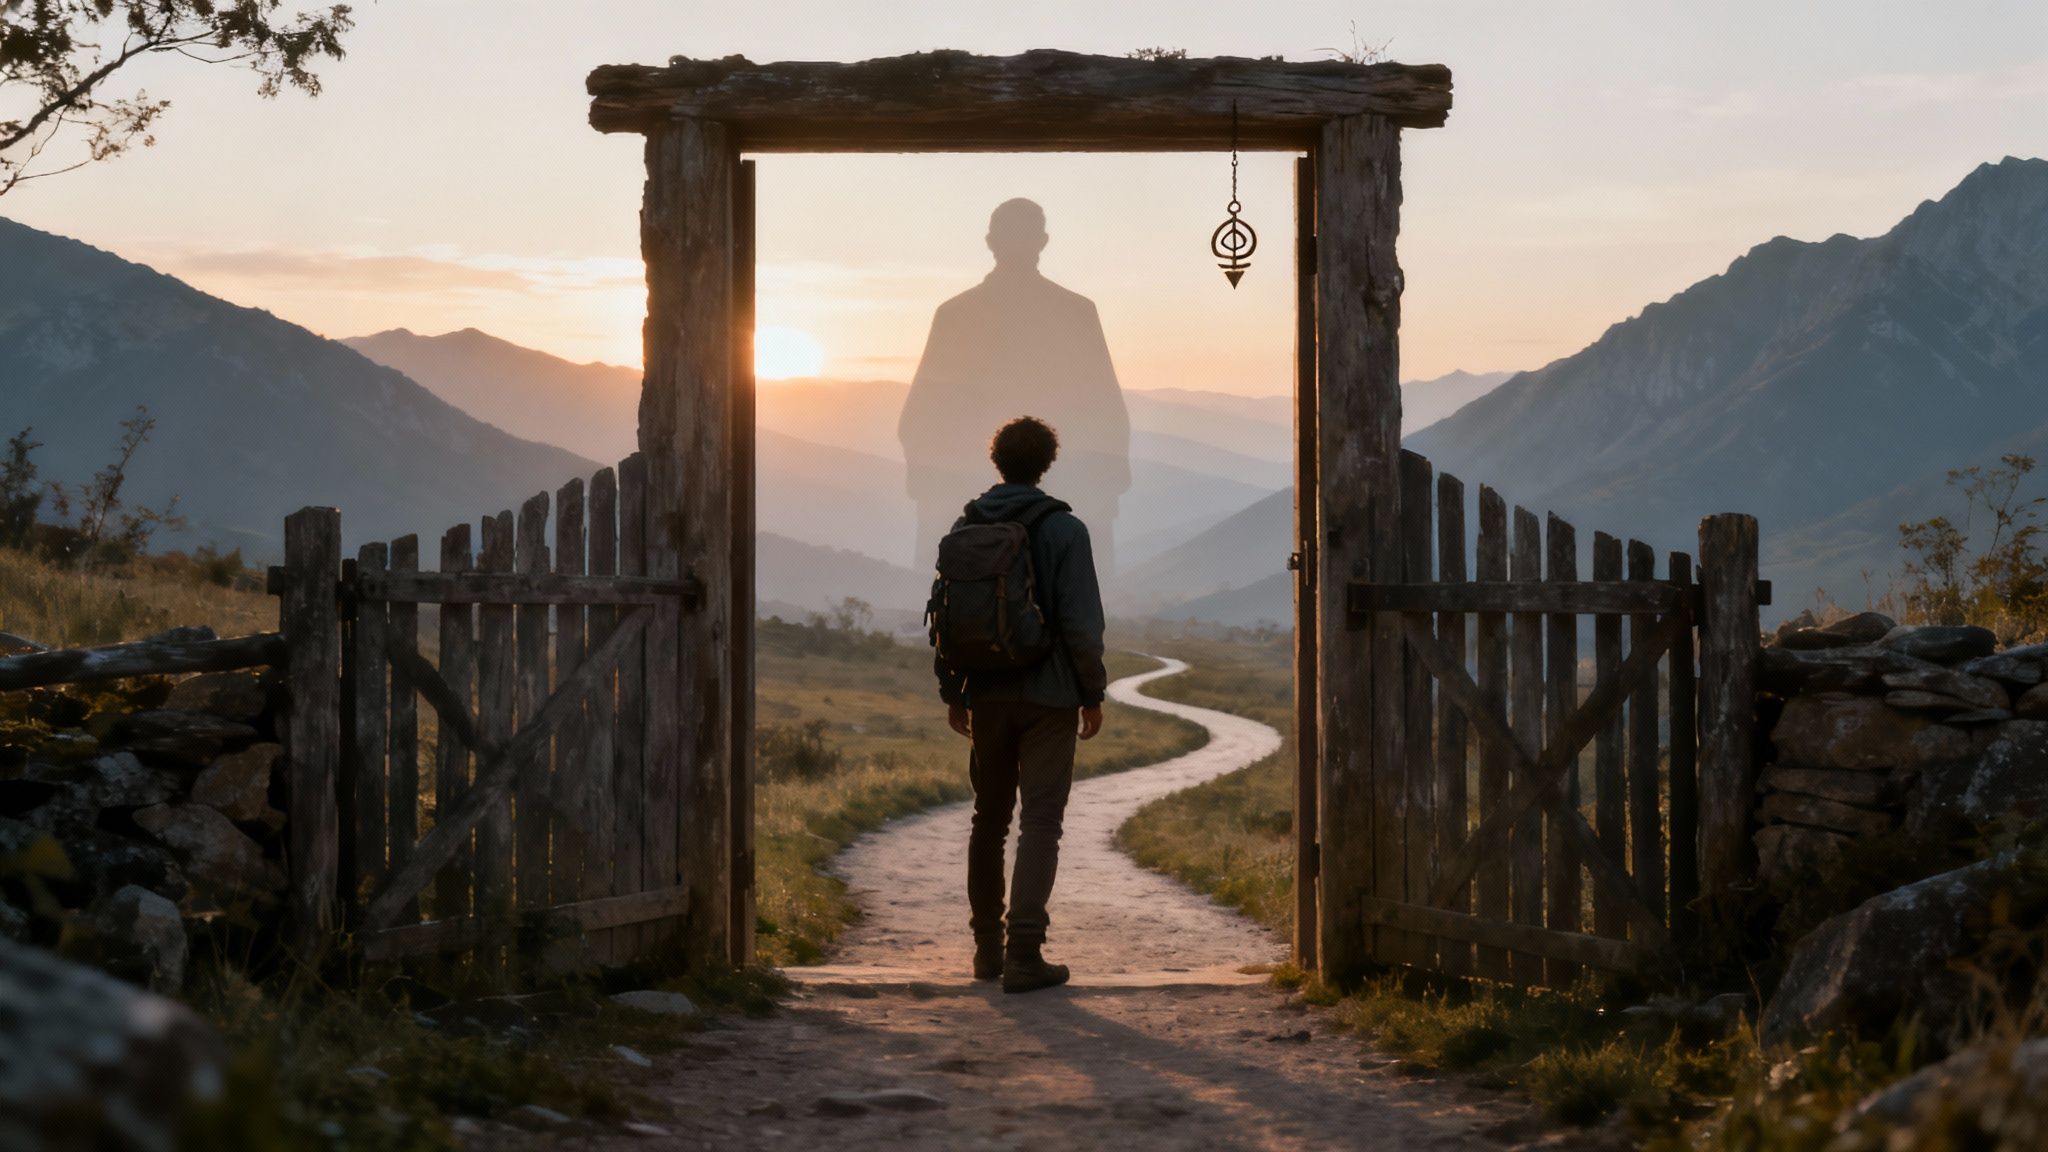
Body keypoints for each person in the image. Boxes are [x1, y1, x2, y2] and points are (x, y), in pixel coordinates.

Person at [932, 416, 1107, 994]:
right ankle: (1025, 953)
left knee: (989, 819)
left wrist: (954, 691)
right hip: (1049, 696)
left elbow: (945, 614)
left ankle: (987, 950)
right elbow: (1081, 624)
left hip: (986, 692)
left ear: (997, 461)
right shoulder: (1066, 529)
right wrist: (1091, 693)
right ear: (1047, 463)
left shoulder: (966, 524)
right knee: (1041, 820)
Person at [898, 198, 1132, 578]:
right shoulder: (1075, 312)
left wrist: (933, 487)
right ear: (1044, 241)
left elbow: (921, 417)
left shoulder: (957, 314)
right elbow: (1106, 414)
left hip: (972, 504)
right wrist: (1104, 484)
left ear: (990, 241)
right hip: (1062, 497)